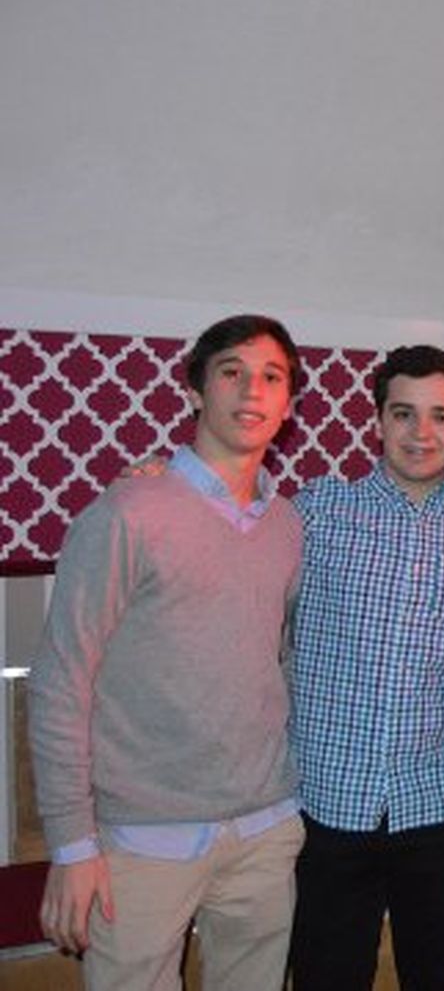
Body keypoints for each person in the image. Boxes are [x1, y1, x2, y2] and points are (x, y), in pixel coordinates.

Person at [29, 315, 306, 990]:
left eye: (272, 377)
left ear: (289, 404)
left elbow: (278, 657)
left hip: (265, 829)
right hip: (143, 839)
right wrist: (72, 844)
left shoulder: (288, 524)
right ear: (194, 390)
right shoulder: (130, 511)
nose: (252, 390)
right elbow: (62, 678)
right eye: (232, 372)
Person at [286, 345, 444, 990]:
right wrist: (162, 479)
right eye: (404, 413)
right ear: (378, 420)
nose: (421, 433)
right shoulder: (317, 511)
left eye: (442, 416)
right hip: (328, 802)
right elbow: (231, 537)